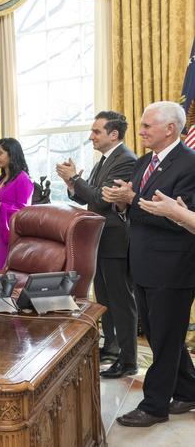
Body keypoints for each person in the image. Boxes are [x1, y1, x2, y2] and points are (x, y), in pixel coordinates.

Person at [102, 101, 195, 427]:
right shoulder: (143, 163)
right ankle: (188, 390)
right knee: (159, 335)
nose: (140, 131)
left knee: (166, 337)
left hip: (174, 267)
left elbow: (179, 219)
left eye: (146, 126)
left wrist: (132, 202)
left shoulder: (190, 165)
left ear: (170, 128)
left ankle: (155, 406)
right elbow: (137, 210)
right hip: (141, 262)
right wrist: (123, 203)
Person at [57, 111, 138, 378]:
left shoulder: (125, 159)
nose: (91, 136)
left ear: (113, 134)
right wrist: (72, 182)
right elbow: (86, 200)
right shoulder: (104, 160)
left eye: (96, 131)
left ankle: (128, 361)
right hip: (99, 240)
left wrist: (75, 179)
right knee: (104, 299)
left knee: (121, 301)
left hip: (115, 241)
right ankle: (111, 348)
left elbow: (101, 200)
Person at [0, 138, 33, 270]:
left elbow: (24, 212)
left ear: (12, 154)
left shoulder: (23, 179)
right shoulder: (1, 179)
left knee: (8, 278)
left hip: (12, 239)